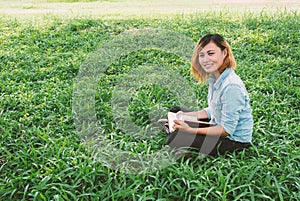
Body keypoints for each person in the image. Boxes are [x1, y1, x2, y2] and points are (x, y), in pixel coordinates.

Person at [161, 34, 253, 157]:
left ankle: (174, 130)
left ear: (224, 52)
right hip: (215, 123)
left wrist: (190, 130)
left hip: (233, 141)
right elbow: (212, 110)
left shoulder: (231, 86)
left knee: (175, 138)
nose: (205, 60)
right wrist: (186, 116)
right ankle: (174, 126)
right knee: (176, 111)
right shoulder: (216, 78)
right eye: (202, 55)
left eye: (211, 54)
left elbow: (226, 130)